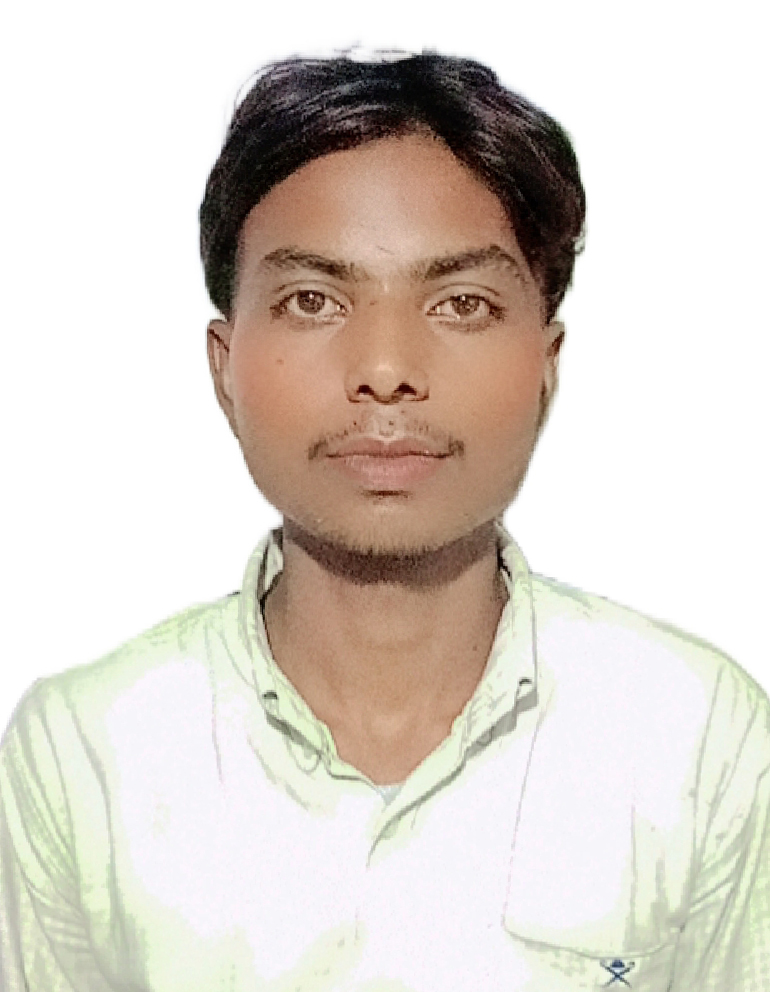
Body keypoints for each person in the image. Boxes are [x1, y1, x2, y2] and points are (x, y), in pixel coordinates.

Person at [1, 50, 768, 992]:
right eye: (314, 300)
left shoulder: (698, 736)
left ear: (547, 365)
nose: (386, 369)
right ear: (224, 368)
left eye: (462, 303)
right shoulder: (84, 749)